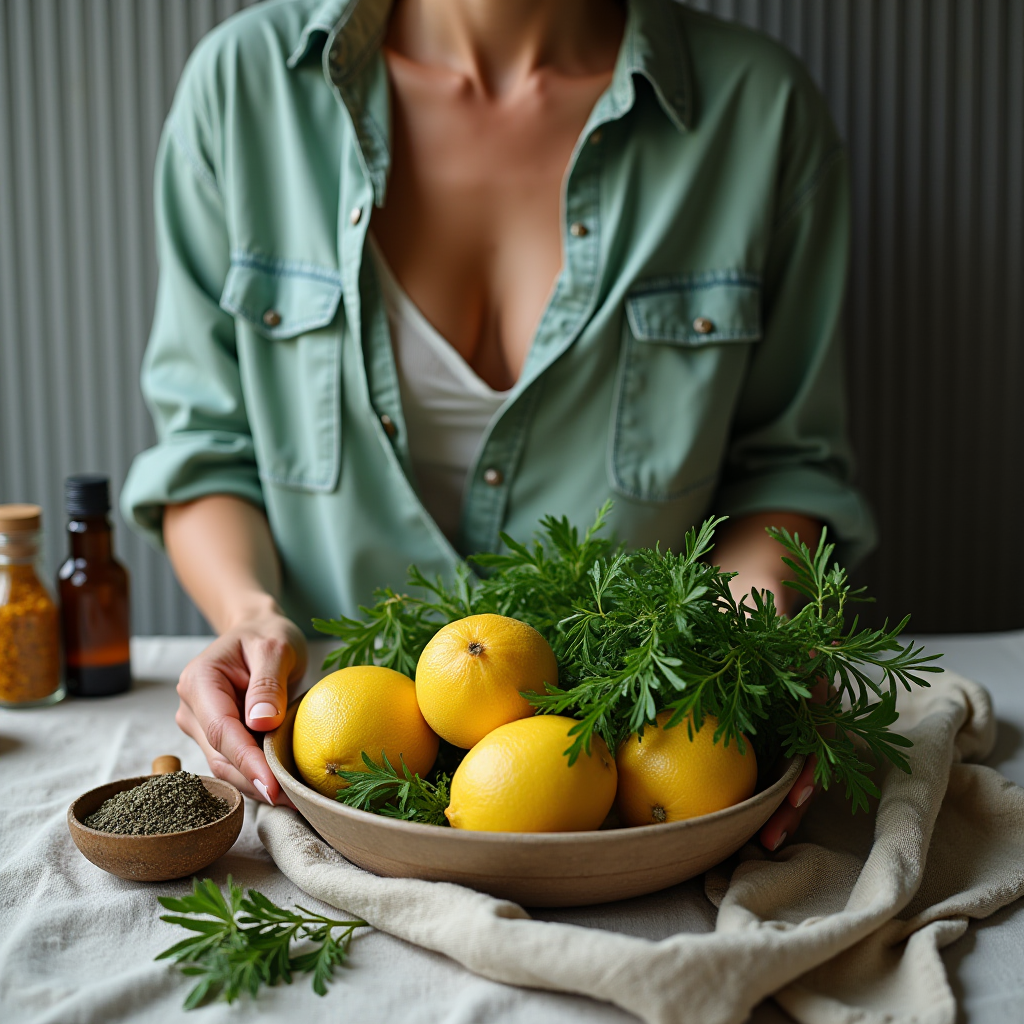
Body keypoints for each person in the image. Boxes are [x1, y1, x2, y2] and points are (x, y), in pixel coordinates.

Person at [121, 0, 875, 850]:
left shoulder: (757, 109)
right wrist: (248, 614)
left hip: (637, 784)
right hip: (338, 776)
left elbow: (784, 468)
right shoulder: (245, 87)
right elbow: (206, 450)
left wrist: (753, 643)